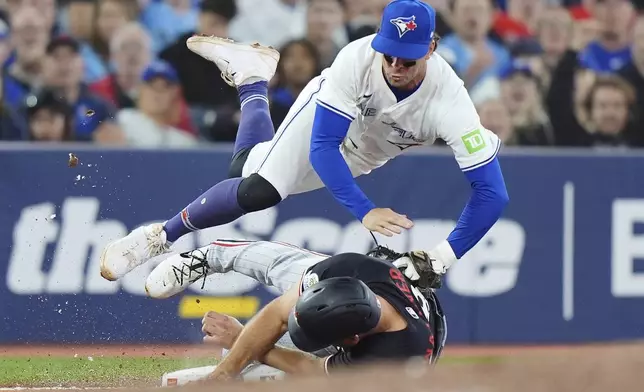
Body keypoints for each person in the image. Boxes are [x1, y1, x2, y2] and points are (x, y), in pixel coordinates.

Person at [99, 0, 509, 289]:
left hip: (362, 156)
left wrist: (442, 257)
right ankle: (159, 237)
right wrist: (364, 210)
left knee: (242, 174)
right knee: (260, 190)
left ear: (432, 48)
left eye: (409, 59)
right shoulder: (357, 59)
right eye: (390, 55)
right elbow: (322, 148)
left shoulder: (451, 103)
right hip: (326, 126)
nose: (396, 66)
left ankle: (252, 81)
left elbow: (493, 193)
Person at [144, 239, 446, 382]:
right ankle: (209, 255)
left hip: (403, 345)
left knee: (256, 361)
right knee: (280, 264)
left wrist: (239, 342)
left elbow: (312, 368)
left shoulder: (390, 360)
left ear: (350, 340)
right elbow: (277, 315)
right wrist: (224, 373)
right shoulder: (349, 267)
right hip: (373, 279)